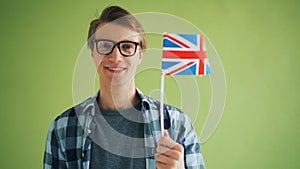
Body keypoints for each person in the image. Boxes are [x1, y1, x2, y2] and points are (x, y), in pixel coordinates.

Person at [43, 5, 206, 169]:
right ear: (93, 53)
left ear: (140, 54)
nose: (116, 57)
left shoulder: (177, 124)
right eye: (105, 46)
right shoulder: (63, 127)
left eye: (127, 47)